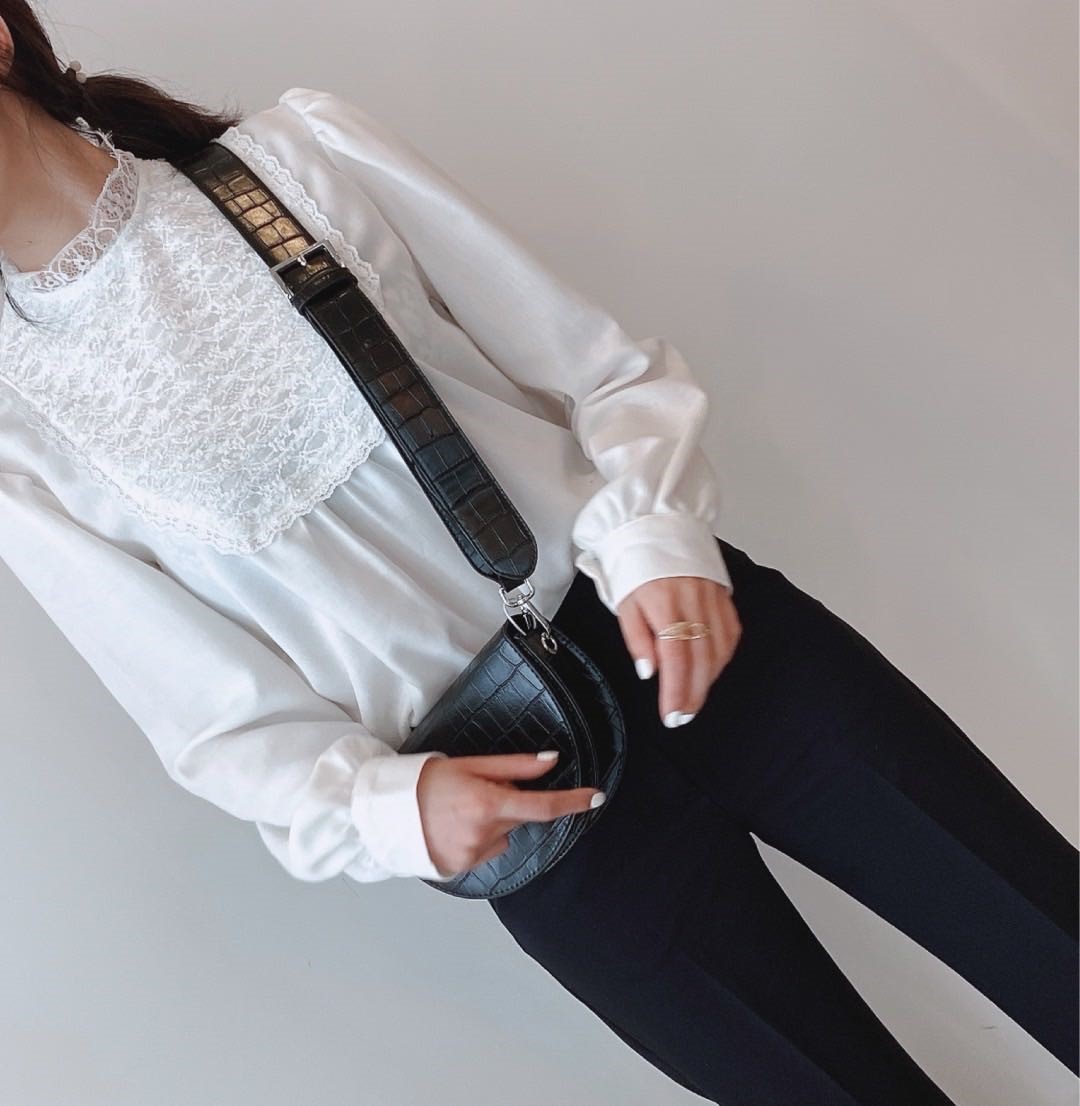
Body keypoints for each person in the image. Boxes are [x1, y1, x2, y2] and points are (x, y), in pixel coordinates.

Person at [0, 5, 1075, 1102]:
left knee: (1050, 936)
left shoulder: (293, 163)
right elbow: (205, 715)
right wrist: (385, 807)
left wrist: (657, 534)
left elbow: (602, 371)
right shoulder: (14, 432)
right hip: (518, 798)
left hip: (689, 636)